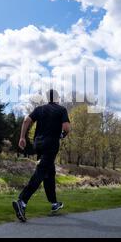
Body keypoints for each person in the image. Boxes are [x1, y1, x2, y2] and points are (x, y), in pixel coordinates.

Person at [12, 89, 71, 222]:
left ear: (47, 98)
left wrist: (22, 137)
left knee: (50, 173)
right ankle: (22, 201)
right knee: (41, 172)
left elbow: (26, 121)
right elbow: (66, 128)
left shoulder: (40, 109)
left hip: (38, 144)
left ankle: (54, 202)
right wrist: (62, 135)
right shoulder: (61, 110)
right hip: (51, 145)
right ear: (57, 98)